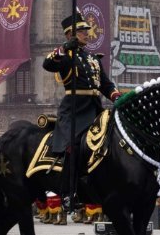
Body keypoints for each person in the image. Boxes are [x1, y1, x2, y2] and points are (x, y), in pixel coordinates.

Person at [43, 12, 120, 205]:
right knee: (74, 146)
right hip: (74, 110)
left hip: (95, 109)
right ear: (70, 34)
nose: (87, 33)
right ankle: (69, 191)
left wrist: (117, 96)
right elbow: (48, 64)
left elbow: (105, 84)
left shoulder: (92, 59)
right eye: (82, 31)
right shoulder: (66, 57)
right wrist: (63, 49)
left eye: (87, 30)